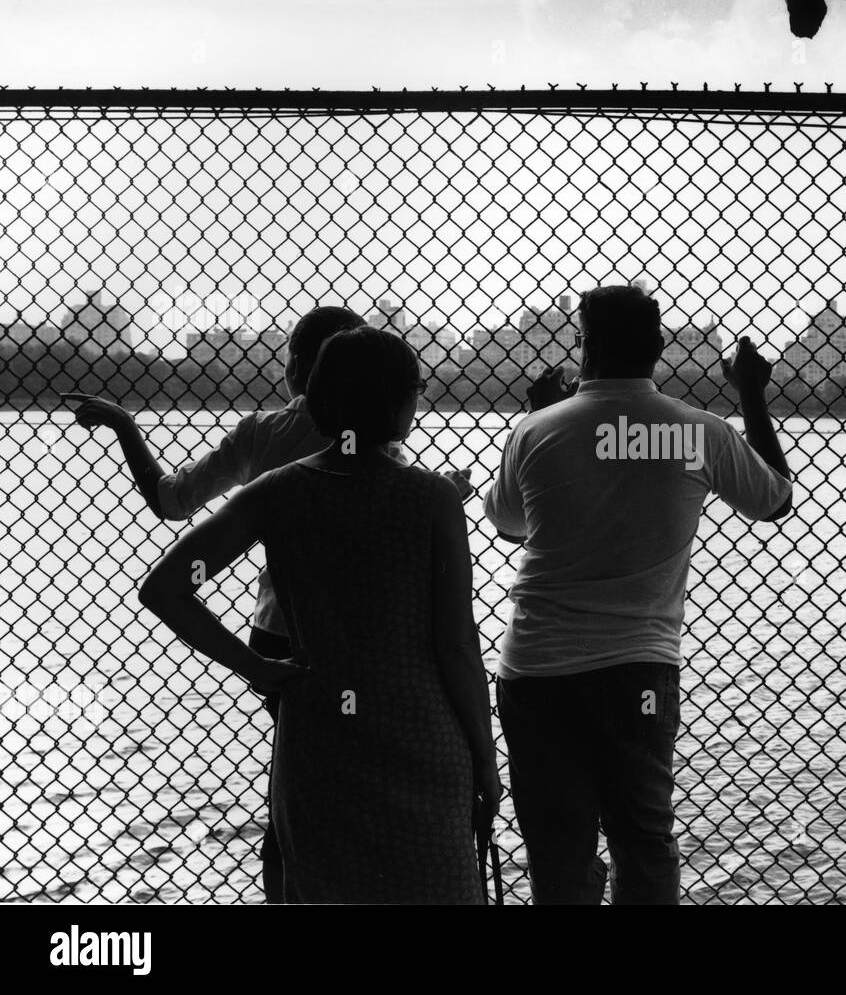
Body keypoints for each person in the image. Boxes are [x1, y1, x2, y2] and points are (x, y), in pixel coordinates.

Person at [69, 306, 470, 901]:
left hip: (284, 636)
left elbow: (171, 501)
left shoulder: (264, 436)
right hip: (378, 643)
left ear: (304, 370)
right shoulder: (394, 458)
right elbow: (389, 520)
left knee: (301, 782)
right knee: (375, 785)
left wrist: (128, 427)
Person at [482, 284, 793, 905]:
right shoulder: (696, 433)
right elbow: (775, 500)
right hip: (638, 671)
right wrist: (752, 395)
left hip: (538, 669)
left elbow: (510, 523)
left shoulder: (537, 429)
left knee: (557, 846)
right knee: (643, 837)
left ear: (583, 344)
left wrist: (544, 417)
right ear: (658, 346)